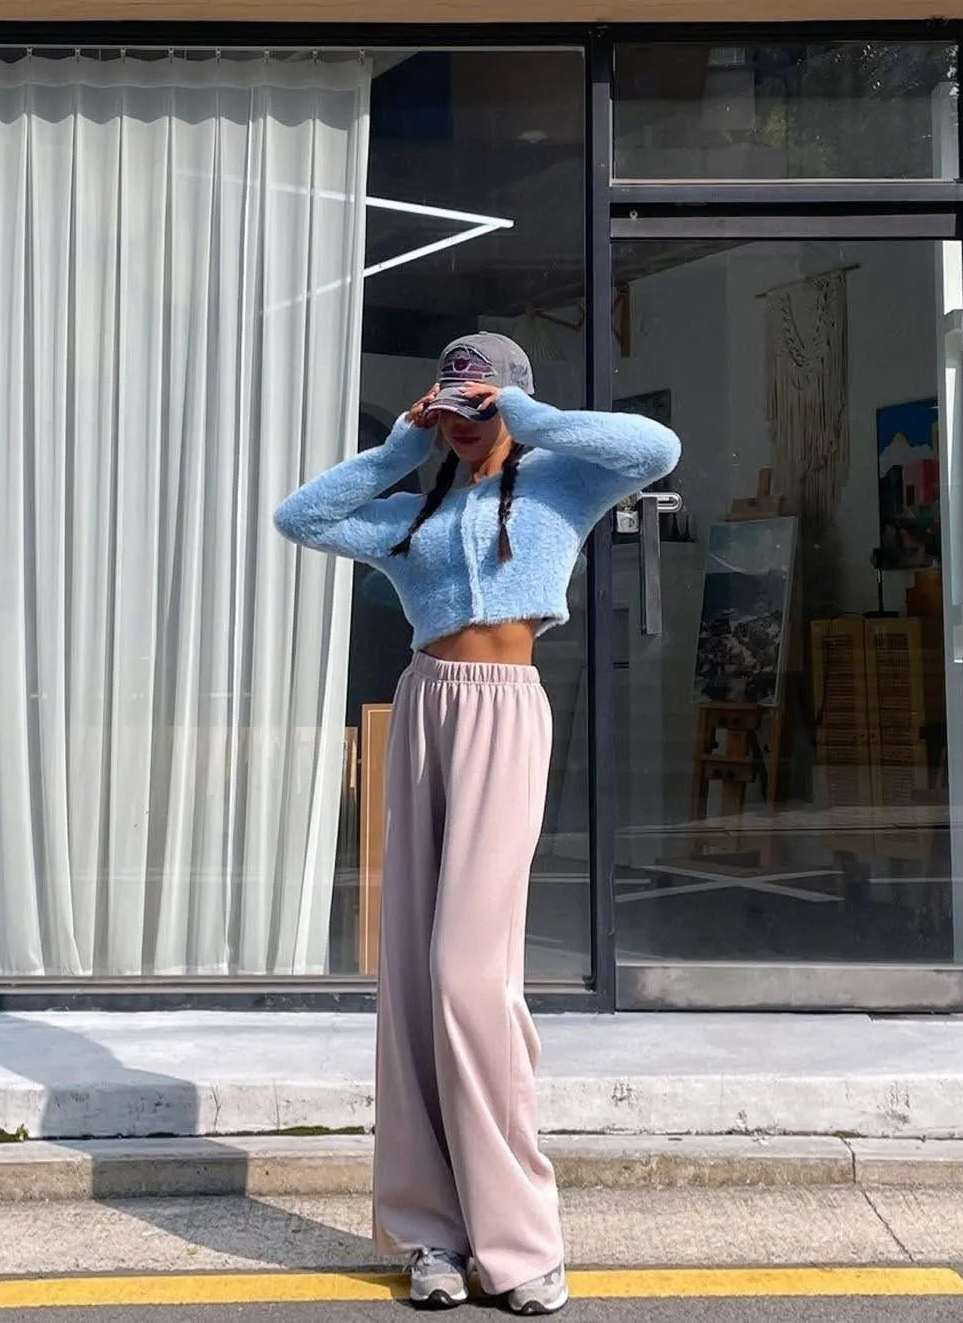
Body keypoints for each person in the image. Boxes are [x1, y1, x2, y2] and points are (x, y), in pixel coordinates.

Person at [274, 333, 680, 1314]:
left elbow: (655, 448)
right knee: (413, 981)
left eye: (477, 407)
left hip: (506, 713)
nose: (464, 424)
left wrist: (521, 413)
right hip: (424, 709)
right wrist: (400, 447)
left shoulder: (563, 485)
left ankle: (521, 1243)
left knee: (469, 978)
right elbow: (301, 517)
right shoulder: (413, 512)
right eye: (452, 405)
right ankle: (429, 1236)